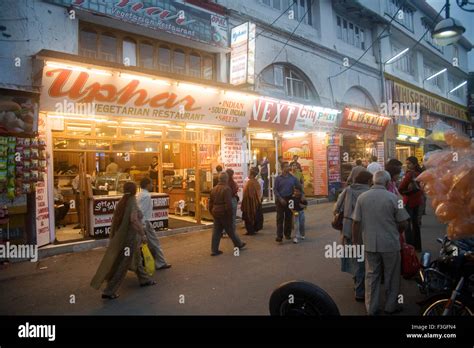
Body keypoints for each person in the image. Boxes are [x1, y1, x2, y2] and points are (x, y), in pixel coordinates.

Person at [352, 171, 409, 315]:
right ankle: (391, 306)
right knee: (392, 276)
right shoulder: (394, 198)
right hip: (390, 243)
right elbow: (403, 223)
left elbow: (356, 222)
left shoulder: (362, 198)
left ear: (373, 181)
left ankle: (371, 308)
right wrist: (396, 230)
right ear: (388, 182)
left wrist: (355, 242)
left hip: (370, 243)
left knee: (371, 276)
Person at [91, 182, 156, 299]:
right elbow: (134, 220)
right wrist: (142, 234)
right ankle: (109, 290)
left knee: (137, 259)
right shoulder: (132, 202)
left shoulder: (123, 201)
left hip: (126, 239)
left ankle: (144, 279)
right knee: (122, 265)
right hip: (130, 239)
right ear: (135, 190)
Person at [334, 171, 373, 302]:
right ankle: (363, 289)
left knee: (356, 258)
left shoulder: (348, 190)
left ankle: (358, 286)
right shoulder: (370, 192)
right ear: (368, 181)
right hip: (367, 229)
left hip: (348, 229)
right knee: (367, 260)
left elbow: (336, 208)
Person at [137, 177, 172, 271]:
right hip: (145, 223)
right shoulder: (146, 196)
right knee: (155, 243)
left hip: (141, 223)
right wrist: (143, 225)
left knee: (144, 244)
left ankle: (146, 262)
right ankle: (160, 263)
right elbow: (142, 211)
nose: (152, 185)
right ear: (147, 185)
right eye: (151, 184)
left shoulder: (139, 195)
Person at [209, 172, 246, 256]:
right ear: (226, 179)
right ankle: (238, 244)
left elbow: (210, 204)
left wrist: (212, 212)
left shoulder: (213, 189)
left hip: (216, 212)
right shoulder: (226, 189)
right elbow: (228, 204)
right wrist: (230, 215)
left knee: (216, 231)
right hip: (224, 213)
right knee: (230, 230)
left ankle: (214, 250)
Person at [398, 156, 424, 251]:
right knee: (416, 225)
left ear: (414, 164)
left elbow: (400, 187)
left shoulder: (410, 174)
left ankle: (409, 247)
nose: (407, 165)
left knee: (408, 225)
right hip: (418, 201)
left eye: (409, 163)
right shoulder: (421, 173)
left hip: (409, 201)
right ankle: (418, 246)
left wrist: (404, 193)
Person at [274, 162, 303, 243]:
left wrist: (300, 194)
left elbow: (299, 186)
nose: (288, 168)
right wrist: (280, 199)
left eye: (288, 166)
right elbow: (275, 190)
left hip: (290, 199)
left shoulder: (293, 178)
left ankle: (287, 234)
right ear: (282, 168)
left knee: (288, 217)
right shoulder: (278, 178)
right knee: (280, 218)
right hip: (280, 200)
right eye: (286, 166)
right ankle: (279, 236)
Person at [241, 167, 263, 236]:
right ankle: (252, 229)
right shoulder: (255, 182)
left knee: (249, 216)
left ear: (252, 175)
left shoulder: (250, 182)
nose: (248, 174)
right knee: (254, 215)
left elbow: (250, 195)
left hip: (250, 203)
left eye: (249, 173)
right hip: (256, 202)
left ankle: (250, 230)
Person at [226, 168, 239, 236]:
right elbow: (236, 189)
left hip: (227, 200)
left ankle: (226, 232)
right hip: (233, 200)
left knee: (226, 217)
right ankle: (232, 232)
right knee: (233, 217)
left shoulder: (225, 183)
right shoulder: (234, 183)